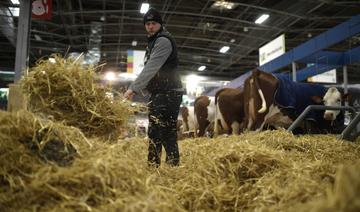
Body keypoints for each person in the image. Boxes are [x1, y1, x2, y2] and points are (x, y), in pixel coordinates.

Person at [124, 8, 183, 167]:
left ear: (160, 24)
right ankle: (155, 167)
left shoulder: (163, 40)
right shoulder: (154, 41)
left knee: (164, 131)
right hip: (161, 92)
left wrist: (133, 88)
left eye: (154, 23)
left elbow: (151, 67)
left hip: (169, 92)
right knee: (156, 131)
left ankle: (168, 167)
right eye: (148, 24)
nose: (150, 26)